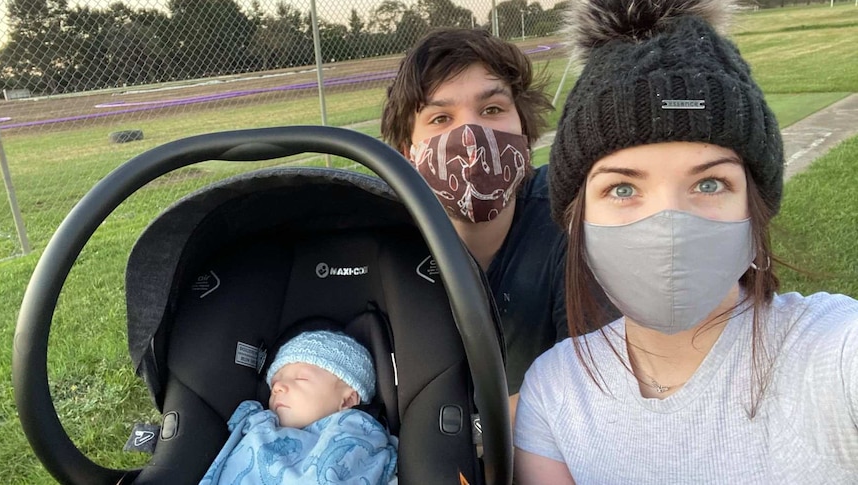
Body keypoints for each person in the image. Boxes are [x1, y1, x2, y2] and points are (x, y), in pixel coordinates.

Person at [514, 0, 858, 483]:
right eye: (623, 188)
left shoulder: (835, 351)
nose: (668, 225)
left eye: (709, 184)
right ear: (577, 219)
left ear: (754, 206)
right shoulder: (554, 393)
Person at [381, 28, 617, 422]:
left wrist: (465, 437)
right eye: (441, 118)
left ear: (524, 128)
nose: (471, 136)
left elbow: (593, 388)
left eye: (492, 110)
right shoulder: (388, 242)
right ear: (409, 153)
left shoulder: (568, 217)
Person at [200, 330, 398, 484]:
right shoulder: (259, 426)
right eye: (274, 383)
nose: (277, 387)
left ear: (346, 402)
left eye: (300, 378)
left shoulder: (357, 438)